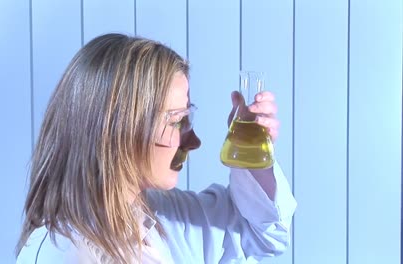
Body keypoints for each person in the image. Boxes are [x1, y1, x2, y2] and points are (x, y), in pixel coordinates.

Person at [15, 33, 296, 264]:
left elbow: (262, 234)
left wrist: (251, 155)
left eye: (188, 118)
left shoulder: (166, 218)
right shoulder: (61, 253)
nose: (193, 142)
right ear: (118, 129)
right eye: (177, 121)